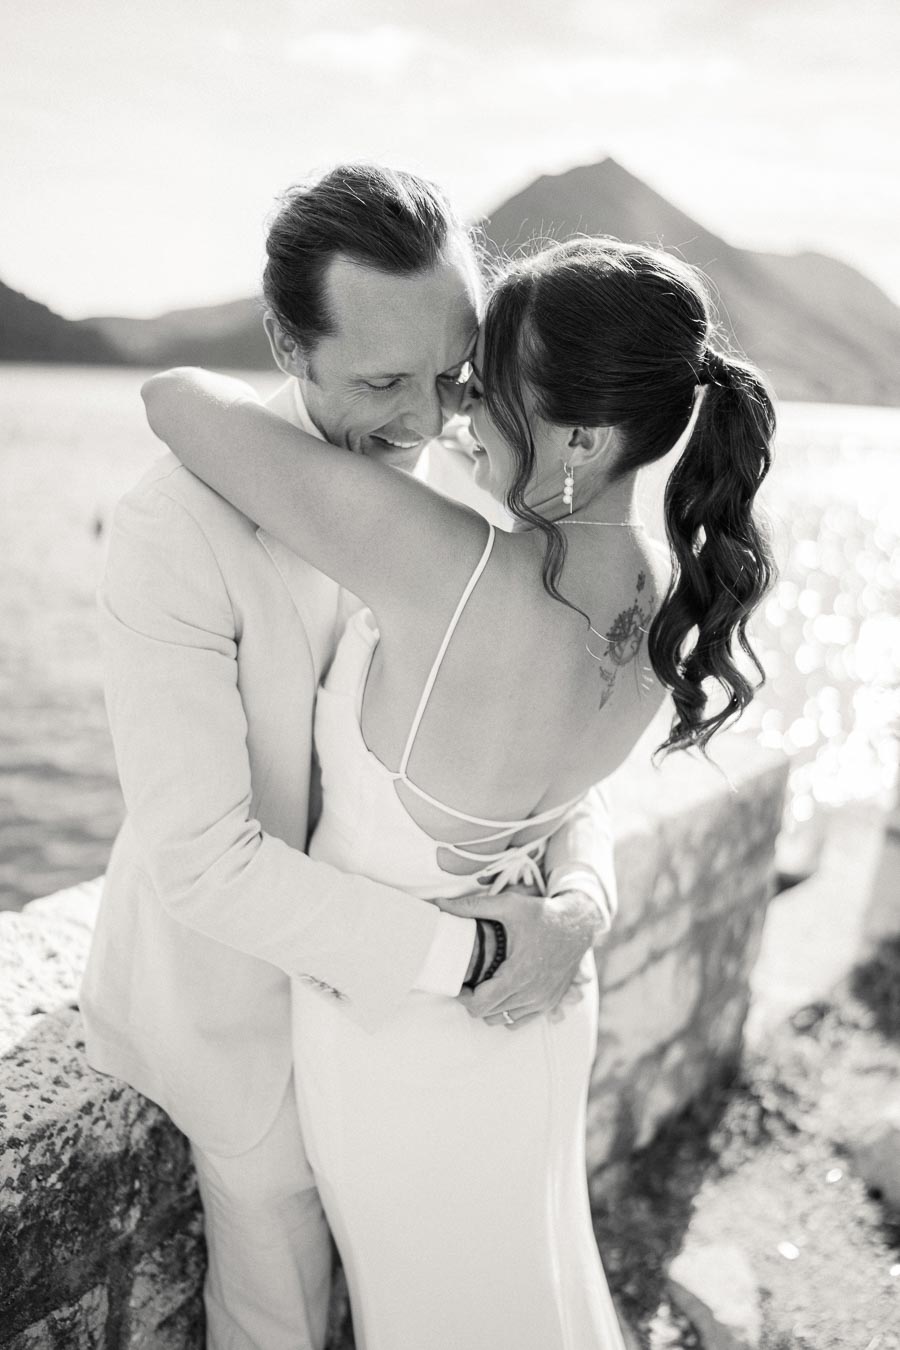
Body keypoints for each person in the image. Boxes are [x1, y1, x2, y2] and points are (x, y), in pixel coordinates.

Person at [143, 221, 776, 1347]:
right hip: (531, 1018)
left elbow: (176, 399)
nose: (451, 418)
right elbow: (568, 799)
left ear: (582, 436)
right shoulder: (668, 587)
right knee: (525, 1285)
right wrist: (579, 904)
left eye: (479, 391)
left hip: (399, 1046)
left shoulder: (447, 561)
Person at [79, 164, 619, 1350]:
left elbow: (565, 738)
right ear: (287, 341)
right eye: (382, 382)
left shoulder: (485, 501)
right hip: (246, 1014)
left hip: (433, 1031)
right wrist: (479, 952)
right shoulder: (171, 529)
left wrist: (580, 897)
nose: (428, 424)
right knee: (278, 1315)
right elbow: (207, 864)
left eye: (452, 376)